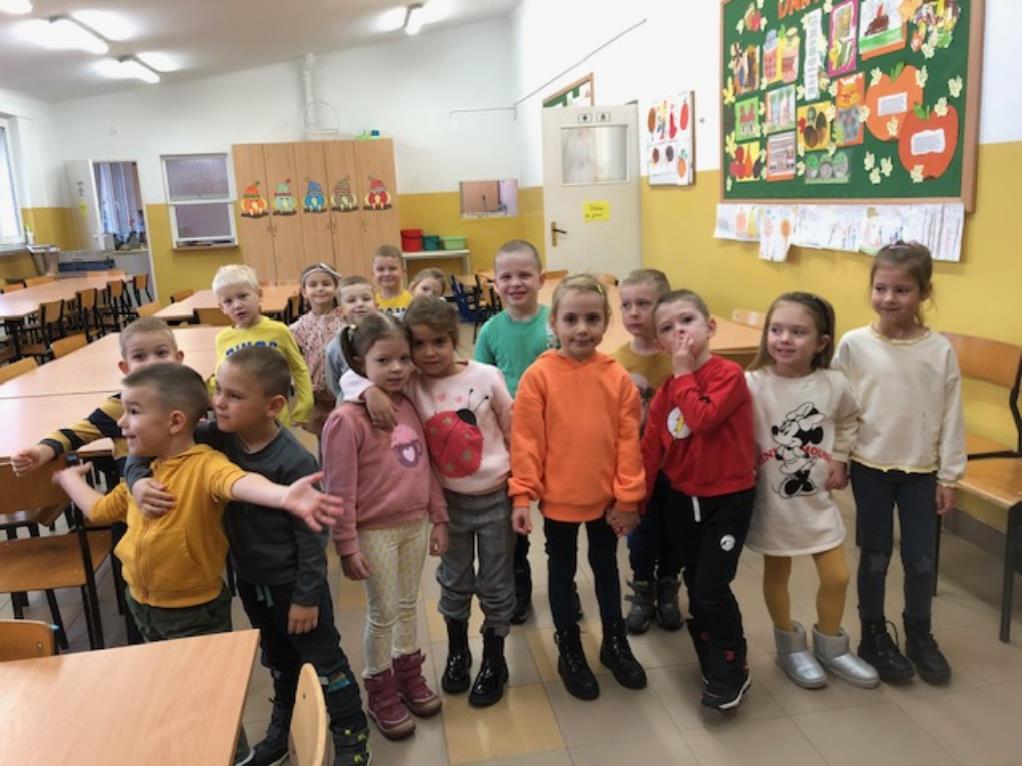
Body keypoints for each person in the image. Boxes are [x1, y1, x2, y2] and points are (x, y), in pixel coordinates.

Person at [52, 363, 343, 765]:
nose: (121, 423)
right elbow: (102, 510)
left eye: (133, 411)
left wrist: (282, 496)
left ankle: (235, 757)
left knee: (212, 702)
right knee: (178, 692)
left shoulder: (206, 462)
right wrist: (70, 481)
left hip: (193, 611)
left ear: (174, 422)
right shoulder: (147, 471)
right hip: (144, 605)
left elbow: (237, 483)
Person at [125, 348, 371, 766]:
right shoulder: (216, 435)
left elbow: (313, 539)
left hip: (294, 587)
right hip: (251, 582)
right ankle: (285, 728)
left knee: (324, 661)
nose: (218, 402)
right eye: (218, 390)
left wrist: (306, 597)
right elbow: (145, 446)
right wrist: (136, 481)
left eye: (234, 396)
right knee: (278, 660)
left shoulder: (293, 461)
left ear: (272, 406)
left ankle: (353, 735)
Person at [344, 297, 515, 707]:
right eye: (418, 344)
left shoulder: (487, 376)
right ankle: (458, 652)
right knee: (454, 580)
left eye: (439, 341)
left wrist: (524, 493)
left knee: (495, 582)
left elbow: (516, 433)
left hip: (497, 498)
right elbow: (353, 374)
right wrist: (369, 390)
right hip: (447, 505)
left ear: (455, 339)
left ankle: (495, 658)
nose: (429, 353)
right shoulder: (411, 382)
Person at [510, 274, 647, 701]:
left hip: (607, 501)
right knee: (561, 570)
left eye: (592, 319)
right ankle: (569, 647)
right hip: (559, 501)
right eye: (571, 319)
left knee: (607, 568)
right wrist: (522, 494)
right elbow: (526, 441)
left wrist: (628, 498)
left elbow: (629, 442)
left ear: (606, 322)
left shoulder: (617, 376)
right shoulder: (539, 376)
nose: (582, 329)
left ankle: (614, 641)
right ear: (554, 322)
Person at [834, 241, 965, 685]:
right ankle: (872, 633)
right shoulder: (853, 345)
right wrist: (838, 457)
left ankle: (919, 633)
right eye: (881, 288)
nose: (889, 298)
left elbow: (952, 415)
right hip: (870, 466)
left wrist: (949, 476)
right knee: (874, 555)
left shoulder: (938, 350)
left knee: (921, 559)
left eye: (902, 290)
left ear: (924, 293)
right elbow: (840, 407)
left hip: (920, 472)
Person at [322, 314, 449, 740]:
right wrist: (345, 544)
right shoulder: (345, 420)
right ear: (360, 363)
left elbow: (426, 466)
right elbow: (338, 488)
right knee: (383, 613)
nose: (397, 368)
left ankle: (407, 674)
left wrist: (439, 517)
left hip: (415, 524)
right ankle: (379, 688)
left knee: (409, 605)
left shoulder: (407, 403)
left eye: (403, 359)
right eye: (383, 360)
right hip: (374, 532)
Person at [745, 293, 879, 690]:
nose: (784, 339)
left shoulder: (833, 384)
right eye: (776, 329)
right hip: (772, 505)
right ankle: (789, 646)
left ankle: (831, 646)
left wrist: (840, 457)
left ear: (821, 342)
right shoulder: (751, 383)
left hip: (816, 502)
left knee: (837, 576)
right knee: (777, 573)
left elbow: (851, 418)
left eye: (798, 332)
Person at [642, 289, 756, 711]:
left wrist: (684, 373)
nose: (679, 333)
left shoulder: (729, 375)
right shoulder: (667, 390)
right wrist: (637, 502)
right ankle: (709, 646)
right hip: (682, 498)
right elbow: (652, 446)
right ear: (659, 343)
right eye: (667, 328)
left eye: (687, 321)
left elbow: (702, 418)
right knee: (694, 579)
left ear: (710, 327)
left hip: (727, 498)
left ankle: (732, 664)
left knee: (711, 587)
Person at [474, 239, 560, 625]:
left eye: (525, 274)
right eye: (506, 276)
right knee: (516, 516)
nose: (515, 283)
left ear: (541, 279)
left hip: (557, 435)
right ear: (495, 283)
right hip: (511, 439)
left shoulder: (557, 322)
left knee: (559, 517)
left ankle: (563, 587)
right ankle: (518, 587)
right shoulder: (491, 330)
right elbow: (479, 384)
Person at [11, 316, 184, 476]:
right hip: (131, 495)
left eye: (161, 353)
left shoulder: (192, 401)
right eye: (139, 356)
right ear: (125, 368)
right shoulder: (119, 407)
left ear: (178, 359)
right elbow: (72, 435)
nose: (152, 362)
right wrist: (40, 452)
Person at [612, 268, 684, 635]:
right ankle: (642, 588)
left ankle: (668, 586)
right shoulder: (615, 361)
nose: (634, 313)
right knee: (641, 536)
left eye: (644, 304)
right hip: (637, 467)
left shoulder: (681, 357)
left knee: (675, 533)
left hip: (678, 467)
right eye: (626, 305)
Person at [211, 263, 313, 426]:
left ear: (259, 294)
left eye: (243, 296)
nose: (237, 305)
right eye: (228, 301)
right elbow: (220, 377)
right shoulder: (222, 339)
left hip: (276, 417)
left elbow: (299, 369)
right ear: (221, 307)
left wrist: (305, 404)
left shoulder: (278, 331)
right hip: (240, 419)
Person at [289, 262, 346, 436]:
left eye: (326, 284)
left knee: (344, 434)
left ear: (336, 288)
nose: (320, 288)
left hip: (342, 393)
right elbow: (292, 360)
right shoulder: (297, 328)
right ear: (304, 292)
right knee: (322, 436)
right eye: (313, 285)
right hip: (314, 395)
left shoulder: (345, 321)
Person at [325, 275, 378, 402]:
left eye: (366, 299)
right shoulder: (335, 346)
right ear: (340, 311)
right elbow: (334, 384)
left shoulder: (388, 337)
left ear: (377, 306)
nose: (360, 304)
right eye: (351, 301)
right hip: (350, 402)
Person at [372, 245, 414, 318]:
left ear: (403, 272)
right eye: (380, 269)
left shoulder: (412, 301)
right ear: (373, 274)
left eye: (392, 268)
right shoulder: (371, 302)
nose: (387, 274)